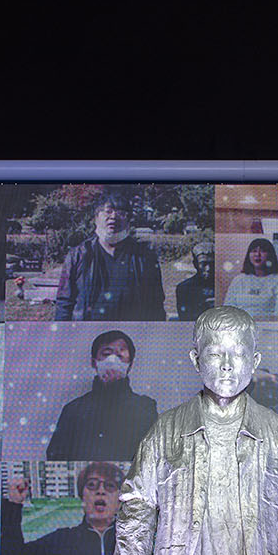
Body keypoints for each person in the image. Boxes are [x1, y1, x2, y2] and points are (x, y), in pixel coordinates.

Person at [113, 306, 278, 555]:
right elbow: (137, 506)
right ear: (196, 360)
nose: (226, 365)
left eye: (238, 354)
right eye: (214, 354)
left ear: (255, 361)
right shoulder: (166, 430)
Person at [0, 461, 122, 555]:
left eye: (110, 486)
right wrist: (13, 504)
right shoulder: (63, 540)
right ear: (82, 498)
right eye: (92, 485)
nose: (101, 491)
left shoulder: (133, 542)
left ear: (119, 502)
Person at [53, 187, 165, 321]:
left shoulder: (145, 257)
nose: (113, 216)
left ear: (128, 221)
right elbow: (64, 303)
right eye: (108, 211)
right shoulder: (78, 255)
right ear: (96, 217)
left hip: (131, 331)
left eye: (121, 213)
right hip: (87, 331)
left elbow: (156, 304)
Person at [45, 330, 158, 462]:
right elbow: (55, 455)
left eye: (120, 355)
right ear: (94, 362)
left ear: (130, 364)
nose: (113, 360)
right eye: (106, 354)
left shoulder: (144, 407)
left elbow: (154, 455)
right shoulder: (74, 409)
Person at [224, 238, 278, 319]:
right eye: (254, 251)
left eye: (262, 251)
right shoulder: (238, 280)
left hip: (268, 325)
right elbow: (228, 309)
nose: (257, 254)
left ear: (270, 255)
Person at [173, 241, 215, 321]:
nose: (208, 268)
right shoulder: (184, 288)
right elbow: (185, 318)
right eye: (203, 264)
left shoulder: (225, 287)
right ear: (195, 264)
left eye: (212, 263)